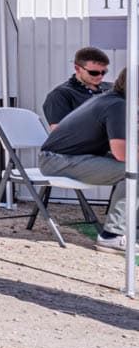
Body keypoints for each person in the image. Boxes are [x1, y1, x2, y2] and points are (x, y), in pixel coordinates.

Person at [40, 66, 131, 251]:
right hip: (57, 160)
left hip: (75, 156)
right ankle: (111, 236)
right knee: (131, 172)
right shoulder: (117, 105)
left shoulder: (112, 99)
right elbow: (122, 153)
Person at [43, 46, 111, 128]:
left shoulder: (111, 88)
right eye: (94, 73)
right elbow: (61, 134)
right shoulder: (60, 95)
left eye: (104, 72)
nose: (100, 76)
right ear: (78, 69)